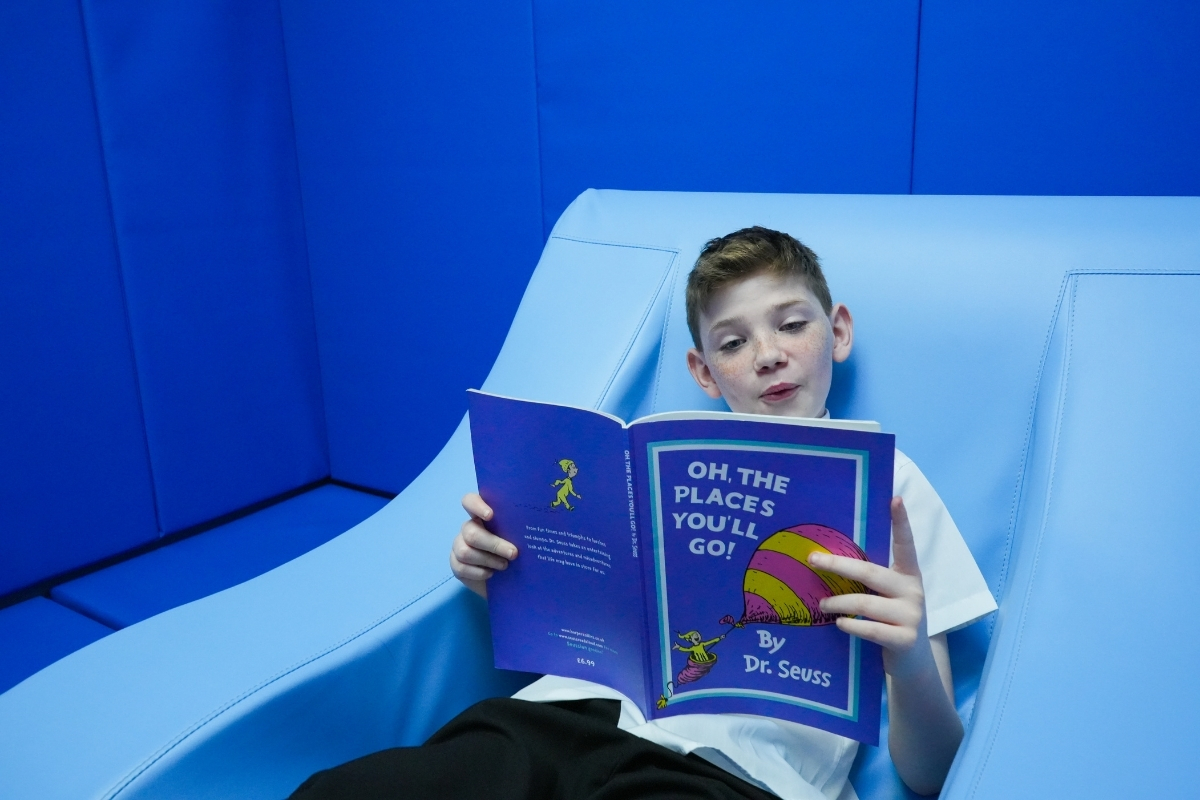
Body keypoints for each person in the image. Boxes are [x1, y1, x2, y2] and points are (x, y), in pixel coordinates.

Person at [291, 227, 997, 800]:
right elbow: (571, 625)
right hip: (554, 722)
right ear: (703, 371)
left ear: (837, 331)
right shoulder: (647, 470)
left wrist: (909, 660)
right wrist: (496, 575)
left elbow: (931, 772)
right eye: (733, 342)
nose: (768, 355)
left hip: (731, 773)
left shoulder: (893, 488)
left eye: (791, 325)